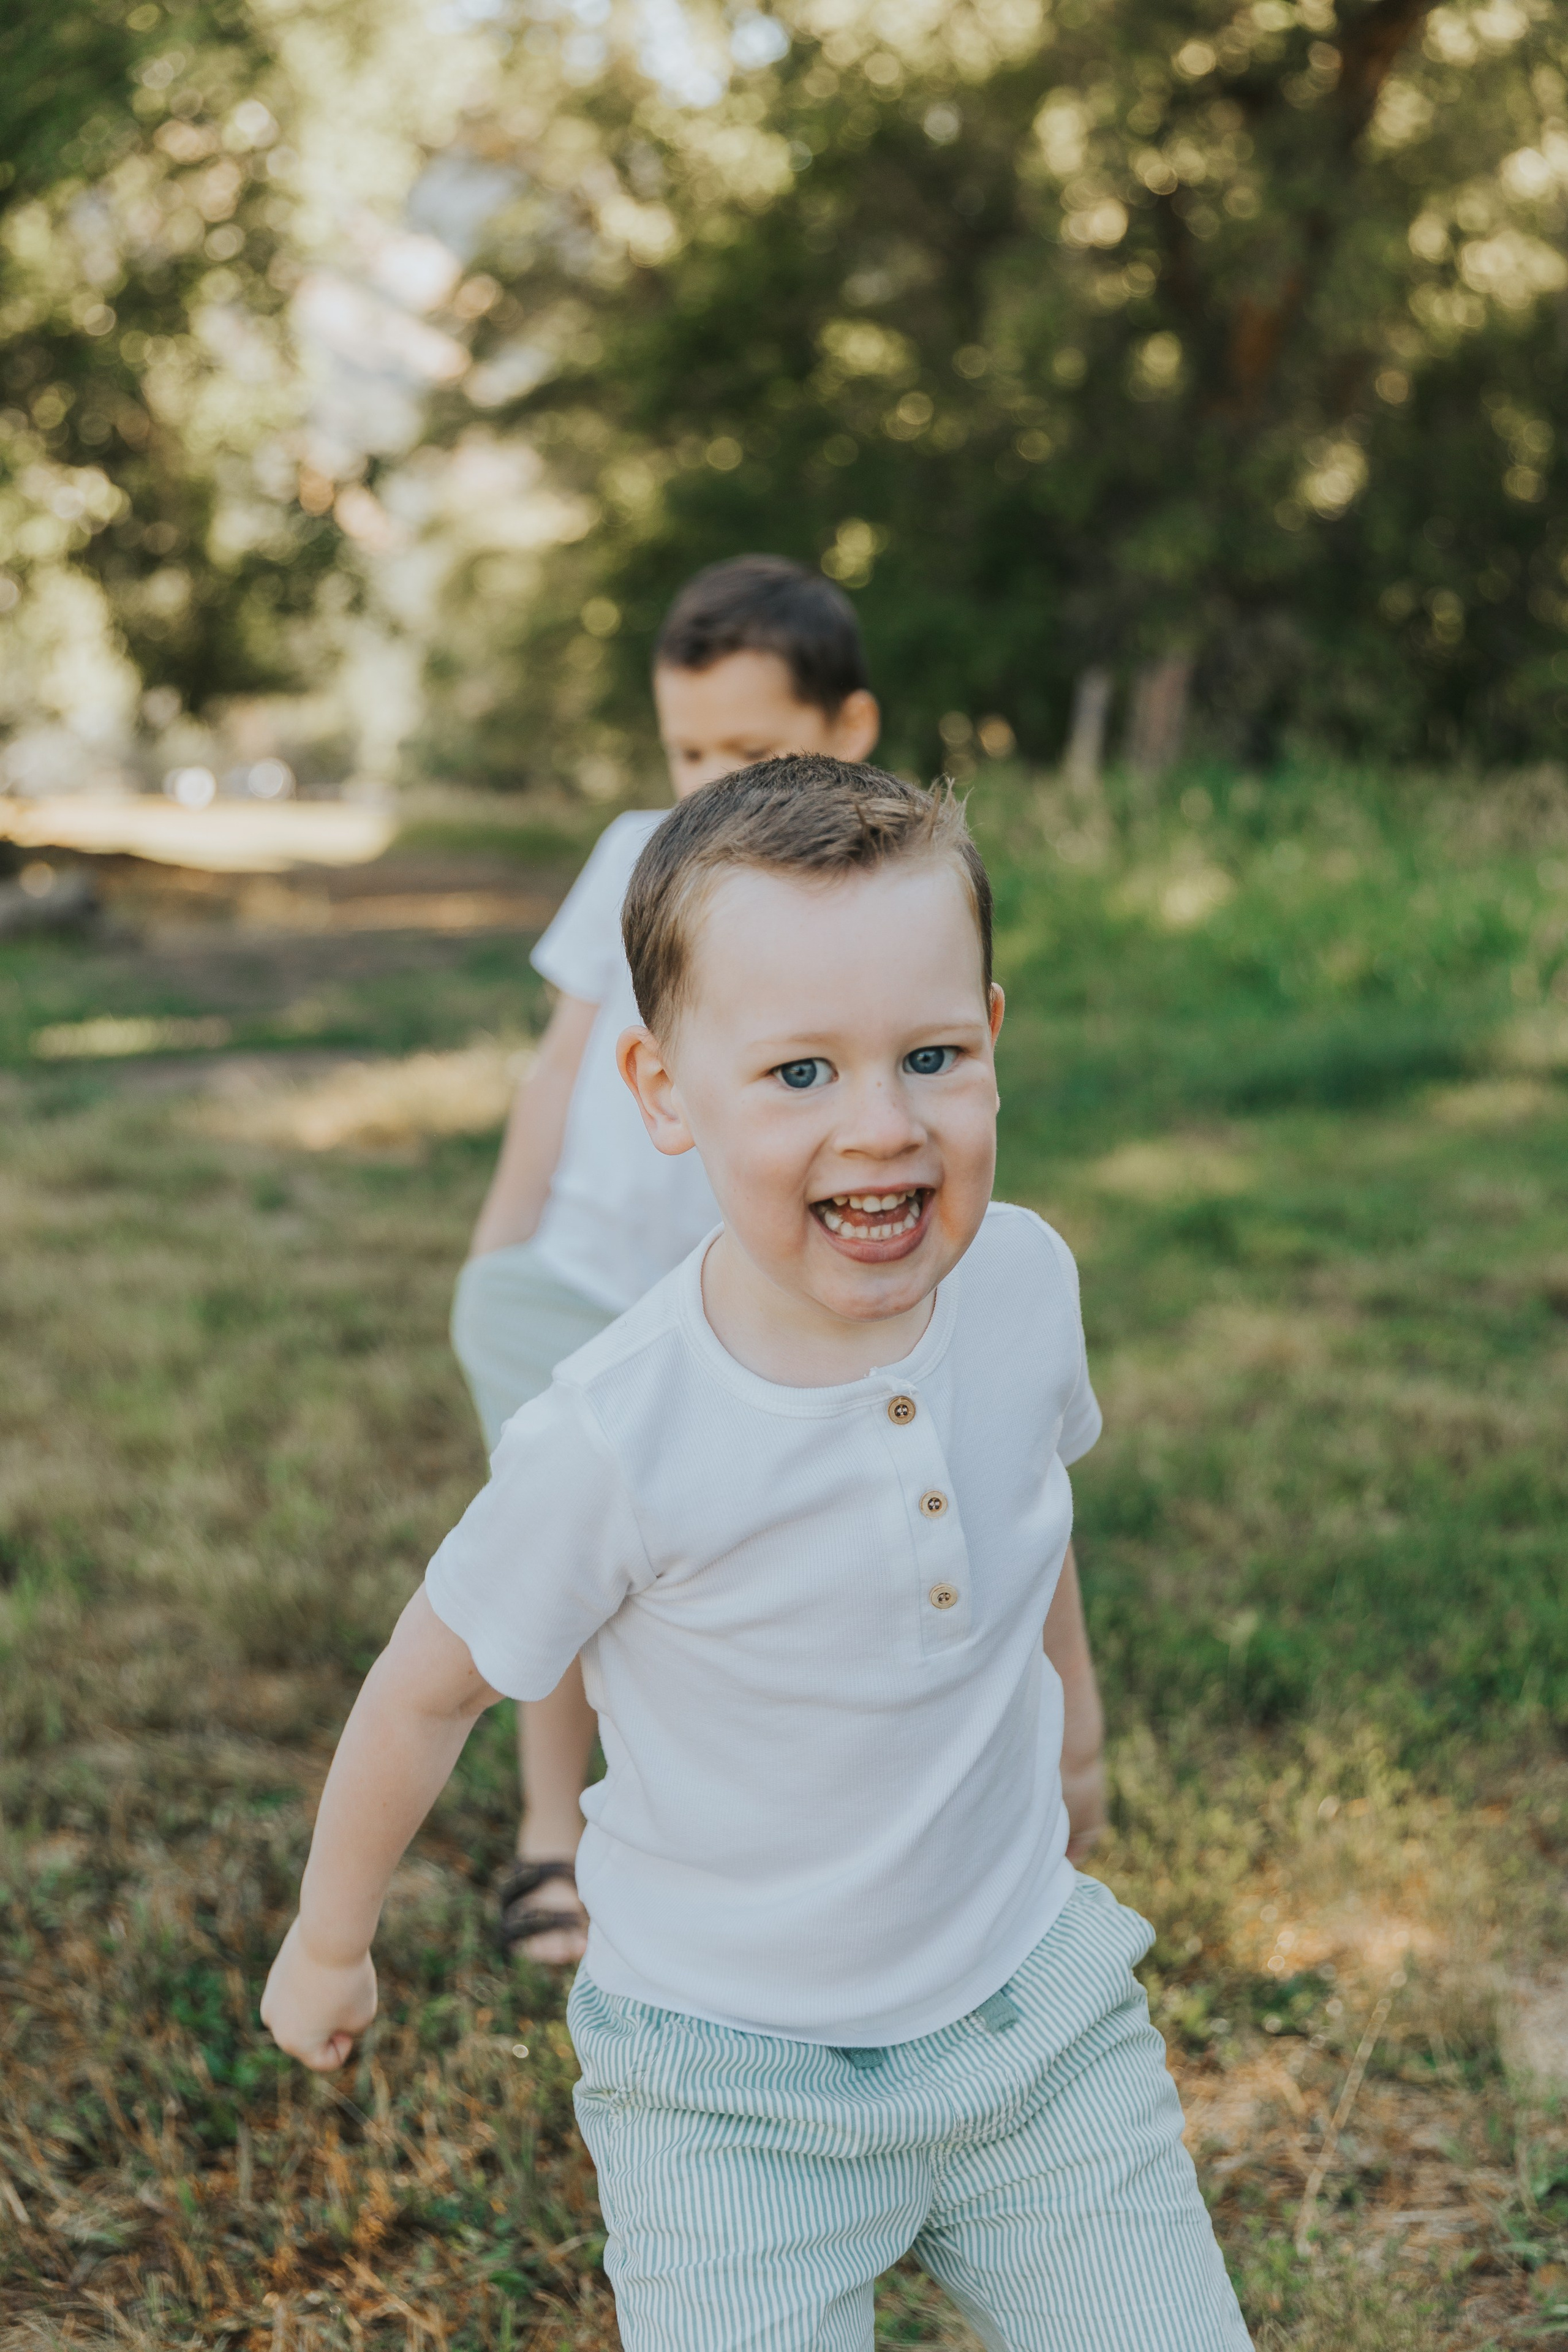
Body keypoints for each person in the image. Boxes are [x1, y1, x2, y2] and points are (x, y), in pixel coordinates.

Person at [263, 758, 1252, 2352]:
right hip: (728, 2089)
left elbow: (1031, 1515)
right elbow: (424, 1688)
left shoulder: (1024, 1282)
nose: (882, 1126)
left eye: (931, 1054)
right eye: (799, 1073)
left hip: (1032, 2027)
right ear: (662, 1092)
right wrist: (329, 1937)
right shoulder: (618, 1433)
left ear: (994, 1033)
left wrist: (1077, 1736)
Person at [451, 556, 881, 1961]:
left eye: (749, 750)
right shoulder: (639, 851)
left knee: (736, 1576)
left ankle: (754, 1845)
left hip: (741, 1306)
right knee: (558, 1566)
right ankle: (549, 1843)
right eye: (687, 748)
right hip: (568, 1280)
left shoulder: (867, 897)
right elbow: (560, 1060)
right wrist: (493, 1253)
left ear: (847, 729)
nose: (708, 781)